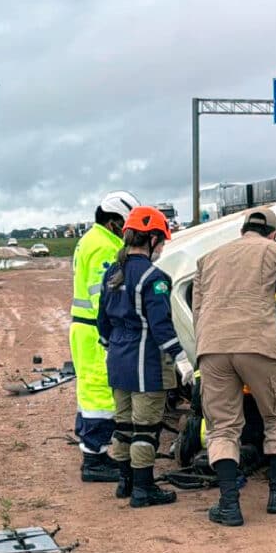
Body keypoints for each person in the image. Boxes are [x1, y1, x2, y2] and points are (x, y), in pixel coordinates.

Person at [194, 207, 276, 527]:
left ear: (243, 230)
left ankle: (229, 504)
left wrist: (205, 347)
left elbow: (199, 309)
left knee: (223, 426)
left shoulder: (209, 258)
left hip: (212, 348)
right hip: (259, 344)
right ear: (272, 232)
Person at [97, 207, 194, 507]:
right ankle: (143, 489)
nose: (163, 247)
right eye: (162, 241)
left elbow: (103, 322)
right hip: (145, 362)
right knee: (146, 427)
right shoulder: (155, 277)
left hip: (117, 358)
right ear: (151, 238)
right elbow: (161, 326)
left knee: (123, 424)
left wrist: (110, 345)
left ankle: (125, 482)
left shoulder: (112, 273)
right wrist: (182, 359)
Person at [70, 190, 139, 483]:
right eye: (126, 226)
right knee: (100, 391)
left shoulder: (94, 240)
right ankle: (94, 459)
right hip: (95, 330)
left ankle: (91, 448)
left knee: (90, 390)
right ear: (113, 222)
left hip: (85, 329)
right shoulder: (103, 247)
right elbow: (104, 296)